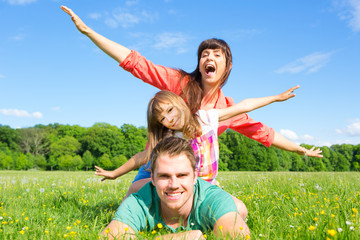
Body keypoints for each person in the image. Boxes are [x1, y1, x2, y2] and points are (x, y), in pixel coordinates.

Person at [61, 5, 322, 209]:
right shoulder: (180, 83)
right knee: (136, 201)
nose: (209, 57)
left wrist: (301, 150)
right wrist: (89, 32)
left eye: (217, 54)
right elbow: (137, 64)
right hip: (156, 162)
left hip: (191, 174)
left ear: (227, 66)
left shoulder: (224, 109)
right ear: (199, 63)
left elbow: (264, 133)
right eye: (204, 54)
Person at [95, 87, 302, 219]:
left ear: (179, 104)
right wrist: (114, 173)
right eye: (162, 119)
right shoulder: (169, 136)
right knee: (136, 186)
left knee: (241, 211)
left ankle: (198, 222)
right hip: (182, 188)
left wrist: (276, 97)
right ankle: (122, 219)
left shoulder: (205, 118)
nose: (168, 119)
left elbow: (243, 106)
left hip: (206, 186)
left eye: (170, 111)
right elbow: (143, 156)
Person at [101, 136, 250, 240]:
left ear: (194, 176)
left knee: (239, 208)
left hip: (211, 197)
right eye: (164, 176)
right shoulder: (139, 202)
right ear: (152, 178)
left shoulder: (215, 200)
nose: (173, 185)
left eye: (182, 175)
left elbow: (236, 236)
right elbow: (110, 237)